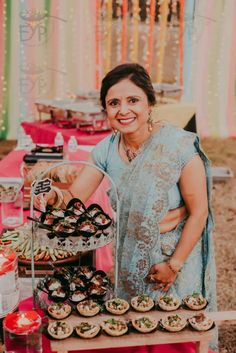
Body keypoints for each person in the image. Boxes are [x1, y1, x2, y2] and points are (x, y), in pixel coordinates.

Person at [35, 63, 217, 351]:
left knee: (173, 335)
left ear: (150, 104)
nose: (123, 110)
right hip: (130, 257)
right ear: (105, 110)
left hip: (174, 258)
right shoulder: (106, 149)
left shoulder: (178, 147)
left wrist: (174, 265)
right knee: (133, 330)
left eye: (133, 100)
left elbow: (199, 212)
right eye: (114, 103)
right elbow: (75, 198)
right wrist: (51, 197)